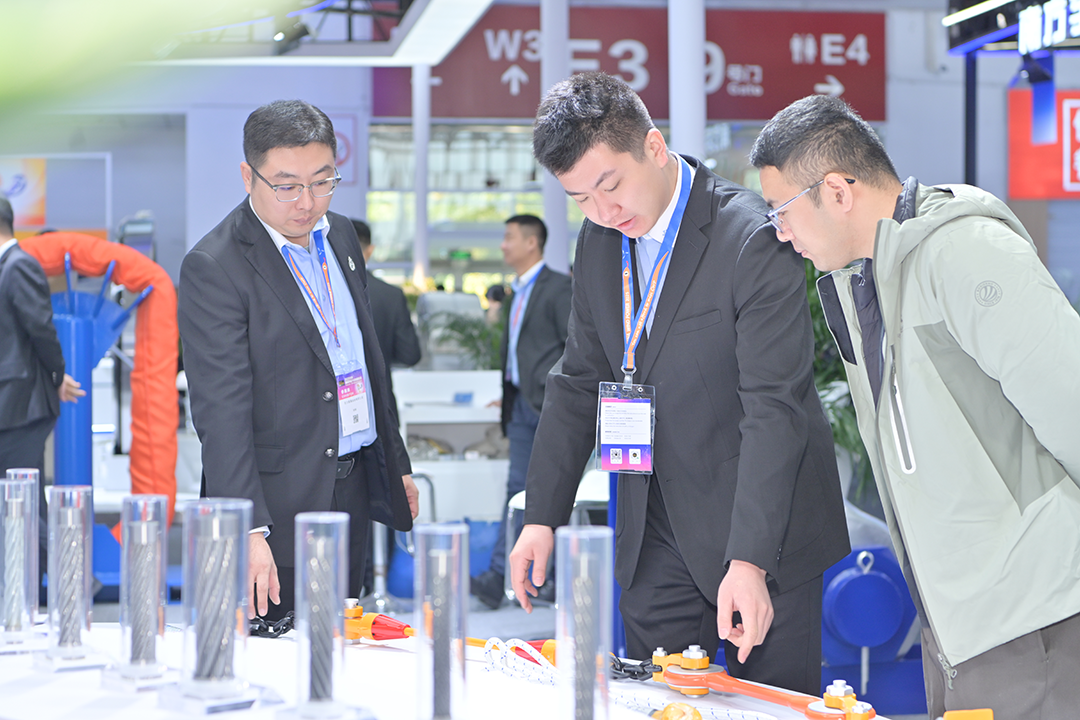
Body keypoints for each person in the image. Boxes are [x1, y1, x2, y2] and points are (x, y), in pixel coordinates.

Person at [509, 72, 848, 695]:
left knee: (766, 707)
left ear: (654, 147)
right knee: (654, 699)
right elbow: (578, 380)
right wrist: (540, 518)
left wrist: (750, 560)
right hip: (654, 525)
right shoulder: (599, 243)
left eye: (611, 185)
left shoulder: (750, 236)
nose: (604, 211)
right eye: (581, 198)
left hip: (759, 527)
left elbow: (775, 407)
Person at [750, 94, 1080, 719]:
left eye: (781, 212)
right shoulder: (868, 285)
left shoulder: (964, 253)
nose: (780, 232)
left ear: (837, 191)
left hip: (1034, 618)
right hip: (957, 626)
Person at [178, 100, 419, 622]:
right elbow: (220, 412)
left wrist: (394, 463)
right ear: (249, 176)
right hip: (277, 505)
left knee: (339, 640)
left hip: (351, 484)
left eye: (322, 181)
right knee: (275, 654)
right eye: (287, 186)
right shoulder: (215, 265)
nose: (307, 202)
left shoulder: (341, 235)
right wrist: (247, 528)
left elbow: (366, 362)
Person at [471, 214, 571, 609]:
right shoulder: (515, 293)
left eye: (509, 237)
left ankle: (541, 577)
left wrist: (552, 390)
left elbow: (575, 348)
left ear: (532, 242)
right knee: (517, 490)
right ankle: (502, 576)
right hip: (519, 404)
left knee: (551, 489)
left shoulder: (558, 288)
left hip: (549, 405)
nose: (503, 245)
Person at [0, 194, 85, 595]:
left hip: (22, 406)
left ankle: (72, 581)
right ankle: (36, 589)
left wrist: (57, 375)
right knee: (26, 502)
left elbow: (41, 329)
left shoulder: (19, 266)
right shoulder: (9, 268)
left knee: (22, 502)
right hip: (14, 405)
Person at [350, 218, 421, 390]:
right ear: (370, 250)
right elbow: (410, 355)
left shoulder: (320, 293)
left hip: (337, 399)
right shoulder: (391, 295)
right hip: (381, 397)